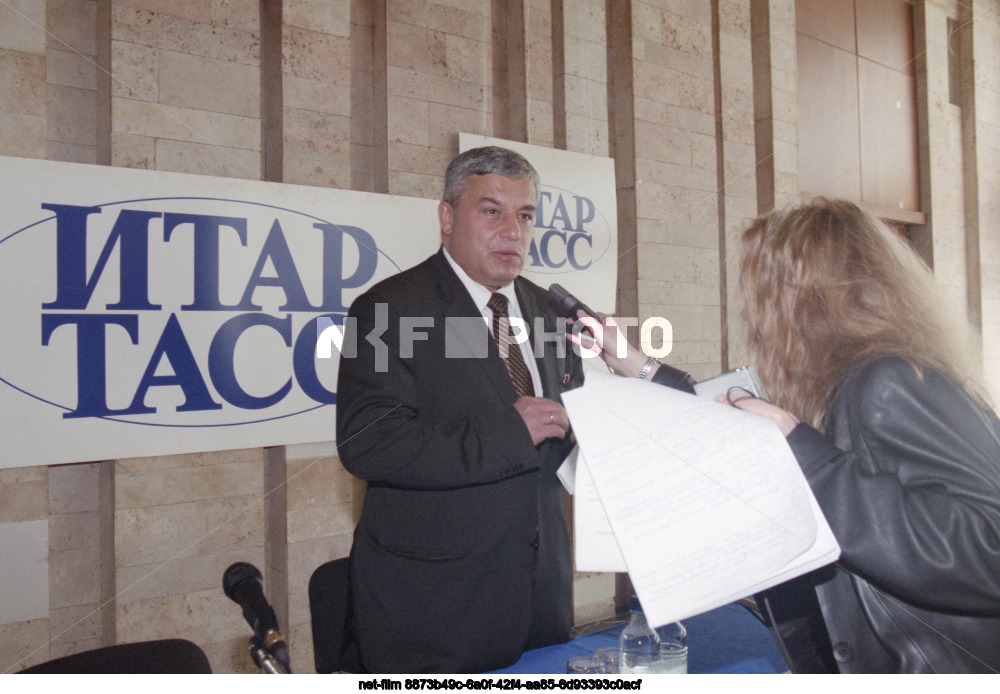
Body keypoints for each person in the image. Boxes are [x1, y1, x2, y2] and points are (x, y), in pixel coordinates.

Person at [572, 198, 1000, 673]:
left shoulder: (888, 380)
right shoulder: (845, 377)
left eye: (759, 288)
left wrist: (802, 450)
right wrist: (638, 365)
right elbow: (731, 423)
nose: (751, 310)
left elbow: (988, 547)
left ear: (802, 294)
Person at [335, 146, 584, 673]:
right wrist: (509, 433)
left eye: (524, 215)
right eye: (491, 211)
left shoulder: (547, 310)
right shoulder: (389, 309)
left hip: (542, 601)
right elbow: (368, 442)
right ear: (447, 217)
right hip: (434, 614)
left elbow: (565, 430)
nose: (511, 231)